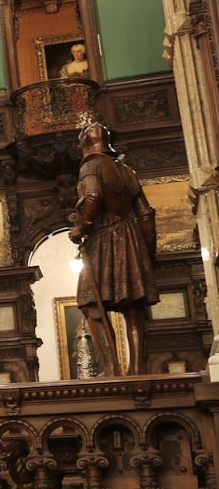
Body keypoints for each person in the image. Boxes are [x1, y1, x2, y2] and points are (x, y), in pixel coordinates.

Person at [69, 123, 158, 376]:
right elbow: (145, 213)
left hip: (103, 237)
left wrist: (82, 227)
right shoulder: (127, 171)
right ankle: (138, 368)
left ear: (85, 144)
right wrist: (148, 251)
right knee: (132, 305)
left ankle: (111, 367)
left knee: (90, 301)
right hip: (131, 238)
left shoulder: (91, 166)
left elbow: (94, 196)